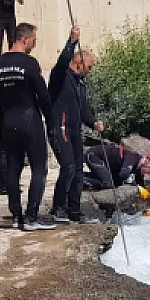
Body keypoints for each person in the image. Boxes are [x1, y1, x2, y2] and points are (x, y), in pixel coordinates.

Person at [0, 22, 55, 231]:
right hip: (29, 120)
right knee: (39, 168)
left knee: (13, 168)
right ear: (24, 39)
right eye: (34, 40)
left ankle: (16, 215)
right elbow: (43, 96)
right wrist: (51, 124)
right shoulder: (29, 63)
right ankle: (32, 217)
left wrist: (0, 127)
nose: (34, 44)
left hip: (8, 121)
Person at [47, 25, 103, 225]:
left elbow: (83, 109)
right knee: (68, 167)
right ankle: (58, 209)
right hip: (59, 128)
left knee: (78, 169)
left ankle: (74, 211)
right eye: (89, 67)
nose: (90, 71)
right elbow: (63, 61)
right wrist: (72, 42)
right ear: (79, 63)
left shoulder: (80, 83)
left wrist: (93, 121)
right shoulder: (60, 76)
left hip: (74, 131)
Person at [84, 144, 150, 190]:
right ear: (146, 164)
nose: (148, 174)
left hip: (105, 164)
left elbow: (141, 185)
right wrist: (131, 181)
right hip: (94, 156)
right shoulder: (132, 158)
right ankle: (80, 180)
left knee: (116, 183)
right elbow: (123, 174)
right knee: (108, 184)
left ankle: (84, 176)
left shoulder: (138, 168)